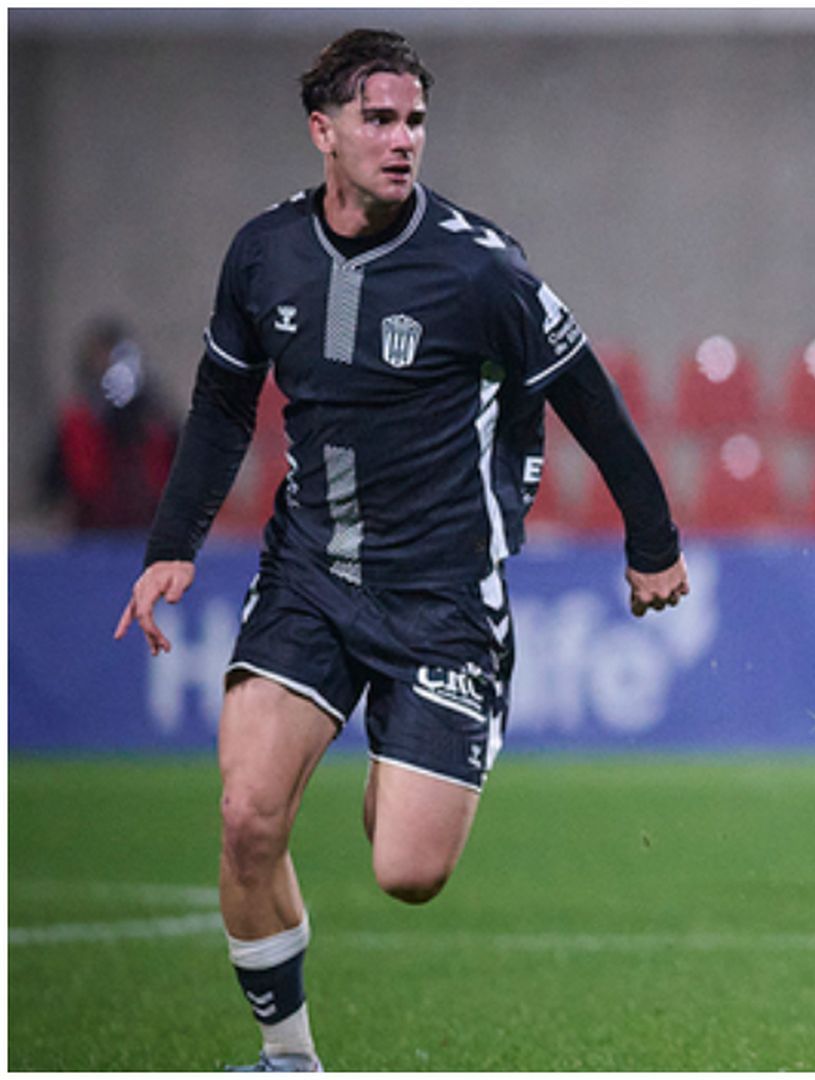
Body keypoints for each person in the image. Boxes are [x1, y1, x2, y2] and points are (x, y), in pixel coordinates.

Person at [112, 30, 688, 1071]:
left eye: (415, 120)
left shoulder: (480, 269)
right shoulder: (263, 253)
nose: (403, 139)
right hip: (308, 576)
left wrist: (652, 539)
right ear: (321, 130)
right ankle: (288, 1056)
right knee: (246, 818)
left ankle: (406, 751)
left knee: (408, 873)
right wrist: (173, 545)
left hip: (442, 600)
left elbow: (589, 400)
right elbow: (221, 406)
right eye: (380, 119)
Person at [42, 318, 179, 531]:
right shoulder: (77, 421)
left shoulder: (156, 420)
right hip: (91, 531)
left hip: (149, 527)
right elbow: (53, 483)